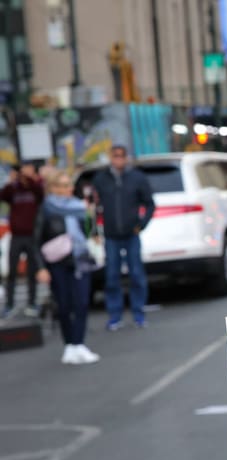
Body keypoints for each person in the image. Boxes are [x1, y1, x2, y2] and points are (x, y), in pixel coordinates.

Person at [34, 172, 101, 364]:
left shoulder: (79, 207)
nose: (69, 189)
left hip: (80, 259)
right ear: (53, 188)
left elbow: (89, 230)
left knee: (81, 302)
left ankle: (79, 343)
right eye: (63, 186)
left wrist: (90, 216)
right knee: (63, 305)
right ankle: (69, 345)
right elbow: (36, 239)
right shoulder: (46, 209)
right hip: (57, 263)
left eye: (69, 185)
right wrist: (41, 268)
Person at [91, 145, 155, 330]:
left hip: (131, 233)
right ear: (110, 157)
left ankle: (138, 313)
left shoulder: (137, 178)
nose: (118, 159)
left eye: (121, 156)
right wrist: (95, 230)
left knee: (136, 274)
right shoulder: (101, 179)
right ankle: (114, 315)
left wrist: (141, 225)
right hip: (111, 235)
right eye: (115, 156)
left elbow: (150, 204)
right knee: (111, 276)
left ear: (126, 158)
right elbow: (95, 207)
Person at [1, 163, 44, 318]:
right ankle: (9, 304)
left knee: (32, 271)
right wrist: (12, 180)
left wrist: (30, 179)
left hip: (32, 235)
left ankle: (32, 303)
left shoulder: (35, 188)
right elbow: (3, 196)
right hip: (17, 235)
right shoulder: (14, 188)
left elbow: (41, 194)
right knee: (12, 271)